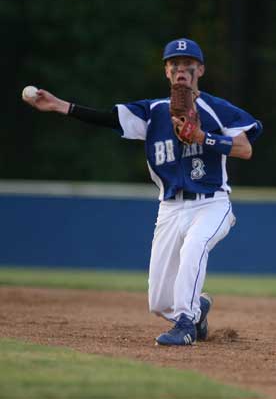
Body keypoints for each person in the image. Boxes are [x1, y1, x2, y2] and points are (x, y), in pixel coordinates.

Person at [22, 38, 263, 346]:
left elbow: (245, 149)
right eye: (174, 65)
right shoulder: (153, 112)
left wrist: (202, 136)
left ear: (200, 70)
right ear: (166, 72)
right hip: (170, 209)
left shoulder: (217, 110)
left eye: (188, 66)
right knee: (160, 302)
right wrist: (59, 106)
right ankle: (197, 310)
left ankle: (186, 325)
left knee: (194, 249)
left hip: (211, 204)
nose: (181, 71)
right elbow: (109, 118)